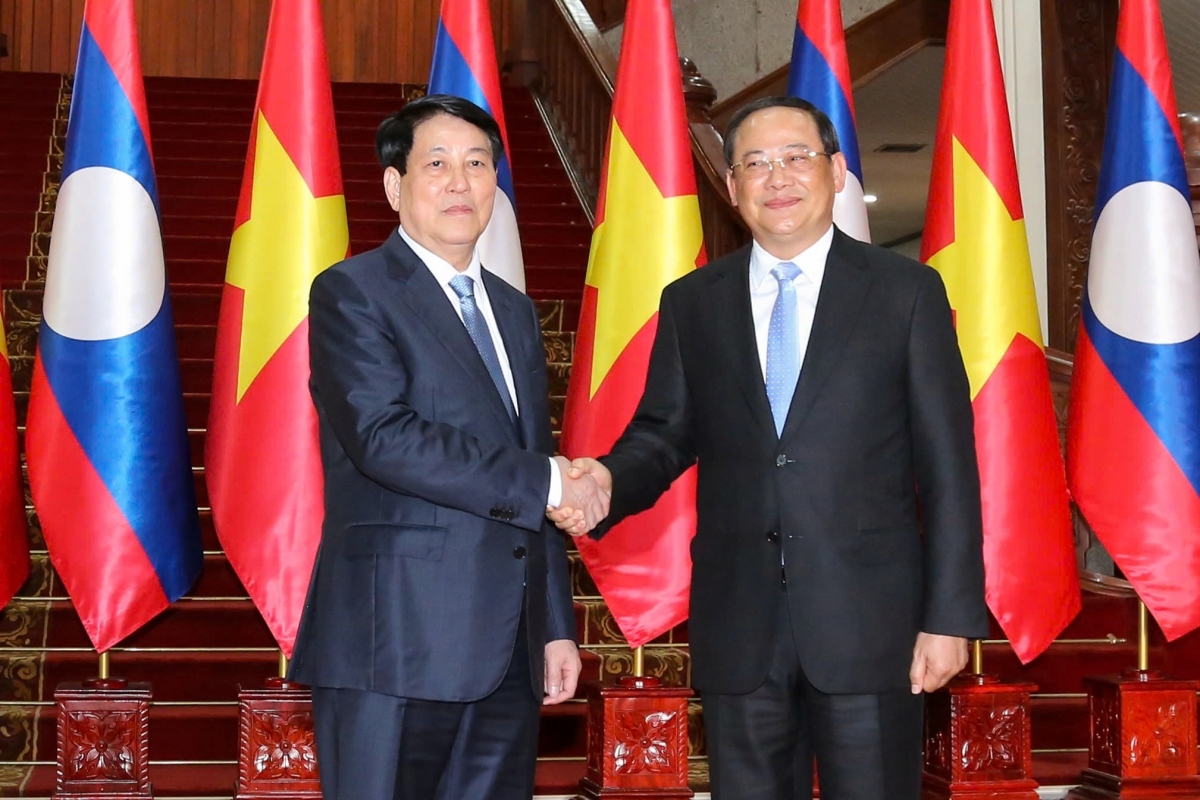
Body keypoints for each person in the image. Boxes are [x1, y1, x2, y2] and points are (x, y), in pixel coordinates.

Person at [551, 96, 988, 800]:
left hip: (870, 626)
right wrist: (604, 479)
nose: (776, 177)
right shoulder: (694, 301)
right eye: (755, 163)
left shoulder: (905, 293)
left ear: (836, 172)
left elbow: (949, 468)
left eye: (795, 157)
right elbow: (663, 434)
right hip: (739, 625)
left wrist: (949, 617)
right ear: (732, 186)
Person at [289, 95, 607, 800]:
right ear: (394, 185)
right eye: (436, 165)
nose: (460, 182)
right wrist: (553, 482)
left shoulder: (514, 311)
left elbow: (533, 456)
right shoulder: (353, 292)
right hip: (394, 639)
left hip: (509, 651)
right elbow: (384, 437)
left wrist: (555, 625)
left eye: (477, 164)